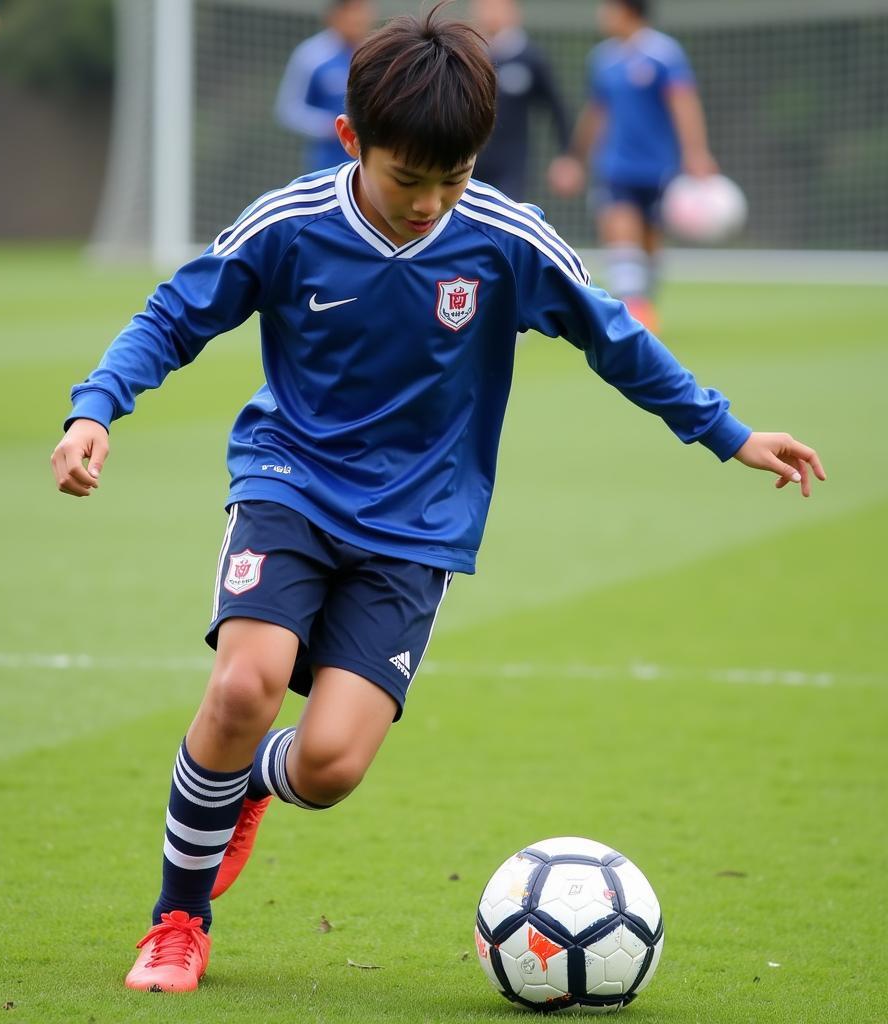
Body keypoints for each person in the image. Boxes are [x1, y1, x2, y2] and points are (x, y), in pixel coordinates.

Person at [51, 2, 824, 995]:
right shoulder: (290, 225)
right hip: (288, 480)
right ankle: (177, 918)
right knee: (243, 687)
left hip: (419, 525)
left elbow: (616, 342)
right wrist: (95, 410)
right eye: (406, 177)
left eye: (451, 179)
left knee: (327, 767)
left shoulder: (506, 238)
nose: (428, 203)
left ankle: (238, 778)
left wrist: (729, 434)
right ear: (350, 140)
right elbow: (172, 316)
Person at [548, 0, 716, 331]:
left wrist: (696, 152)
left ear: (628, 11)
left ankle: (643, 301)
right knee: (619, 230)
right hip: (615, 167)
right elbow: (597, 113)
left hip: (659, 169)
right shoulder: (602, 59)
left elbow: (683, 104)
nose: (601, 14)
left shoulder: (664, 54)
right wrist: (575, 158)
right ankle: (633, 309)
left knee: (650, 243)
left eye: (608, 7)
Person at [471, 0, 570, 201]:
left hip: (510, 168)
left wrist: (567, 157)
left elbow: (558, 108)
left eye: (497, 6)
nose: (491, 13)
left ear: (513, 11)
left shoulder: (529, 57)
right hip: (468, 163)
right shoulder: (467, 55)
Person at [274, 0, 375, 174]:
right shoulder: (311, 56)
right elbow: (288, 110)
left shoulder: (377, 53)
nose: (357, 18)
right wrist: (329, 126)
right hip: (328, 165)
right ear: (334, 16)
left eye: (361, 11)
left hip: (371, 162)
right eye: (351, 12)